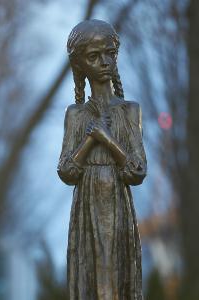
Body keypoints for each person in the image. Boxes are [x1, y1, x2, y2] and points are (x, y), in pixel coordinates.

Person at [57, 20, 147, 300]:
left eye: (109, 53)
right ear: (80, 64)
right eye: (94, 56)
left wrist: (107, 140)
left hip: (118, 207)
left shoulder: (129, 111)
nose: (104, 62)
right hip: (87, 207)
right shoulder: (75, 114)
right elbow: (66, 170)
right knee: (91, 275)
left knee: (117, 275)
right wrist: (89, 140)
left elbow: (137, 170)